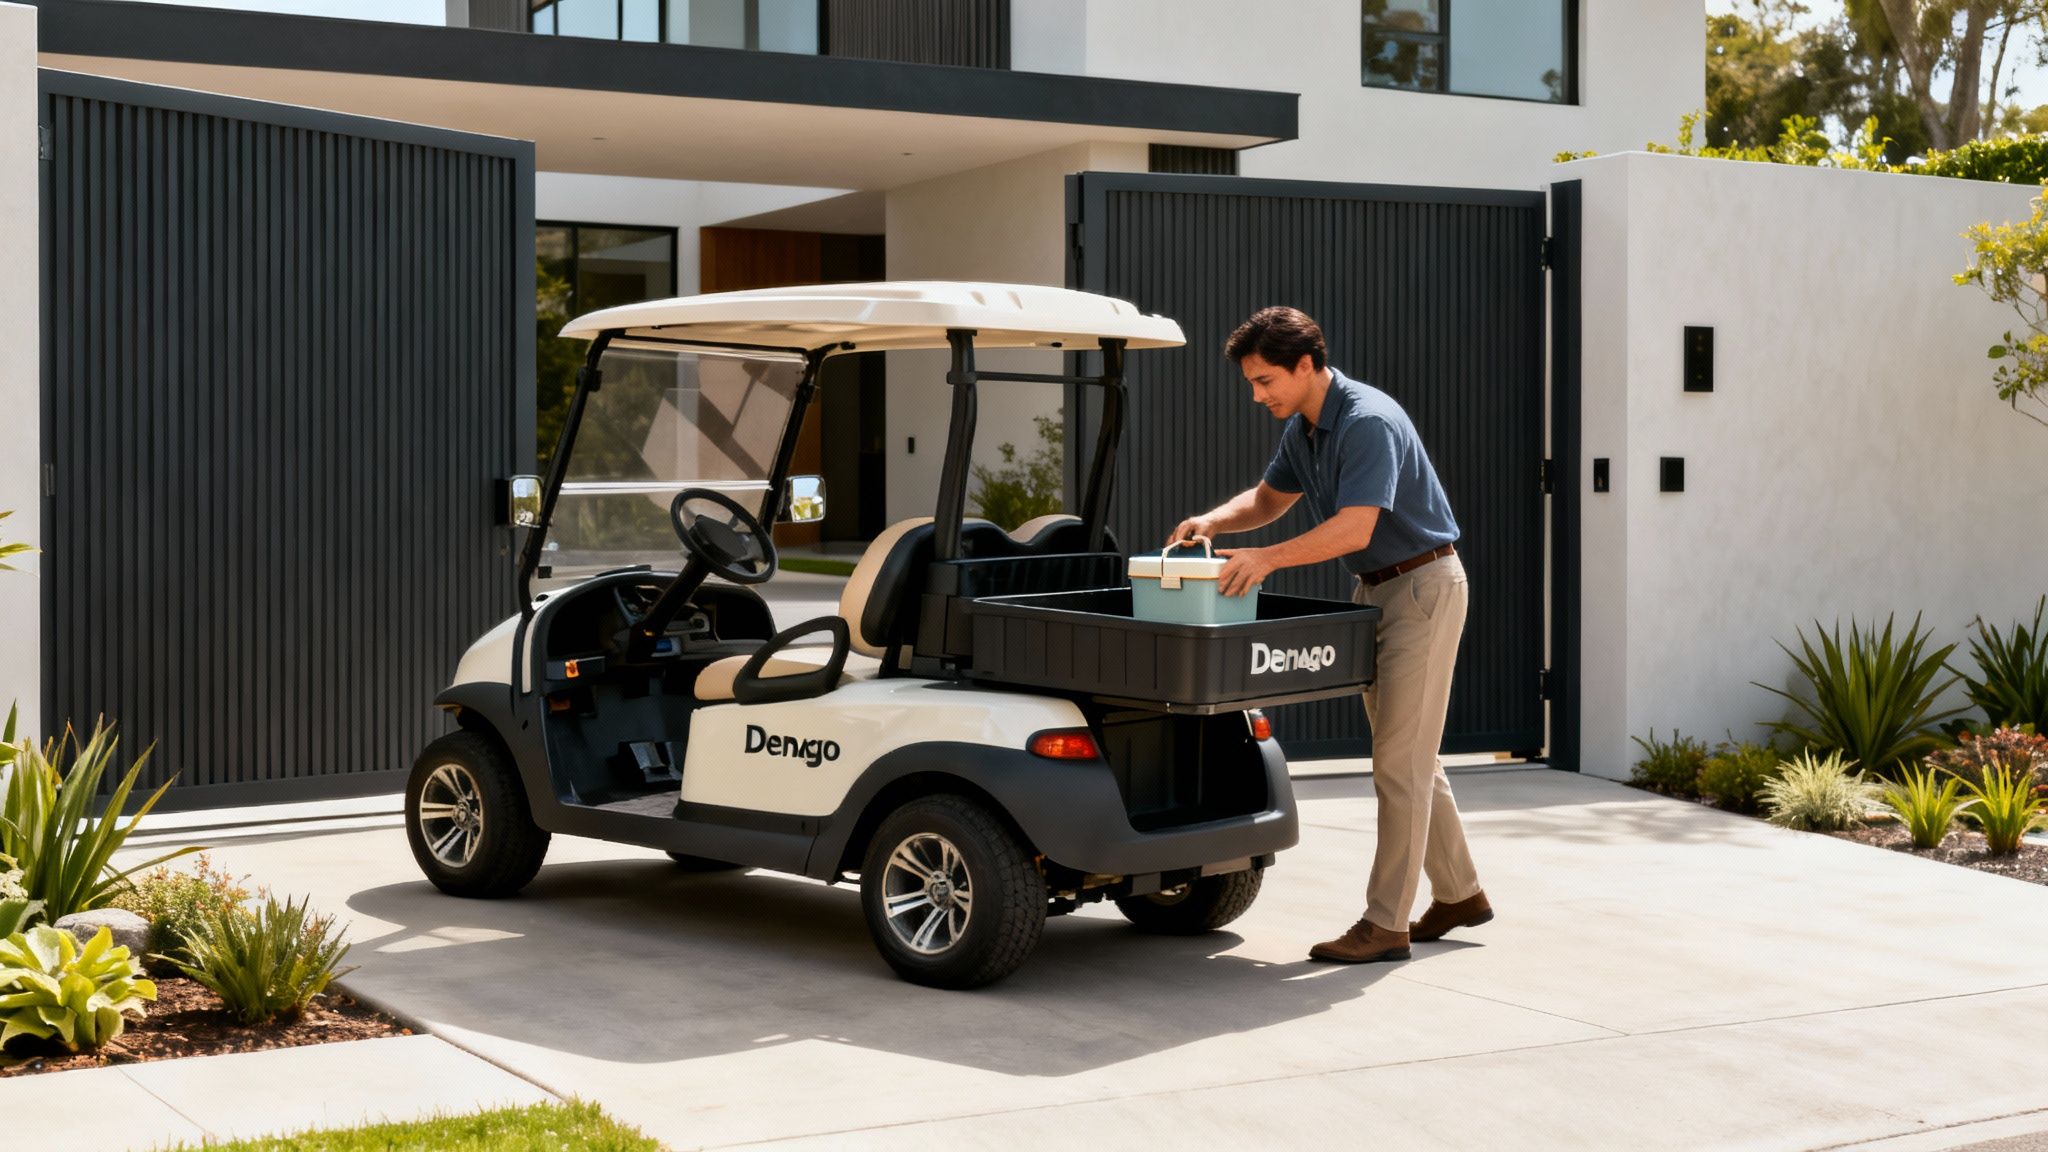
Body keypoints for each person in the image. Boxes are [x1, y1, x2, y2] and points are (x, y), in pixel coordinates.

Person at [1169, 306, 1491, 964]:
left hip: (1422, 587)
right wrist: (1213, 522)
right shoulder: (1309, 426)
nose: (1258, 396)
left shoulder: (1366, 421)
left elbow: (1355, 529)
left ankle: (1385, 924)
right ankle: (1459, 893)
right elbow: (1266, 499)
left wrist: (1265, 559)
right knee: (1412, 758)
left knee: (1397, 764)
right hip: (1380, 589)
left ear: (1307, 365)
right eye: (1252, 384)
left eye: (1265, 381)